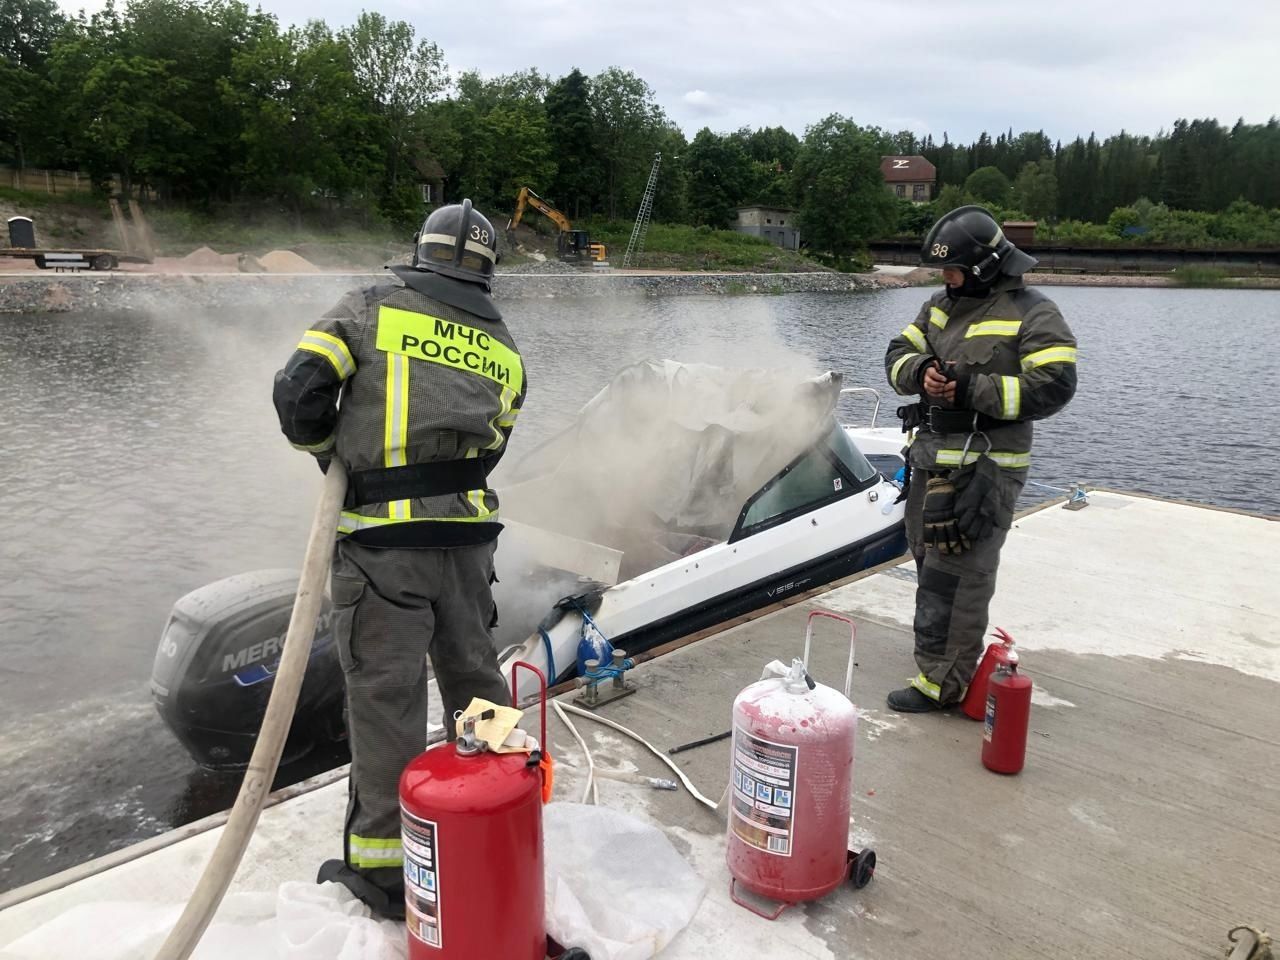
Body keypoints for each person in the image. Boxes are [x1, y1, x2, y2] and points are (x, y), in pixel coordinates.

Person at [272, 199, 525, 918]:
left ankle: (385, 872)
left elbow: (297, 394)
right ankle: (502, 802)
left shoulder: (368, 308)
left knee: (387, 699)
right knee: (478, 679)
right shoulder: (503, 343)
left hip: (385, 547)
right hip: (470, 543)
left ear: (420, 255)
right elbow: (494, 443)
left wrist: (332, 457)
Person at [883, 205, 1077, 713]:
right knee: (930, 567)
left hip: (984, 467)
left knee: (959, 576)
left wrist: (973, 387)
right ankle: (938, 662)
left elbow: (1054, 387)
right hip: (930, 458)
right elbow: (897, 351)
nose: (946, 280)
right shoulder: (942, 305)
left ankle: (942, 683)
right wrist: (920, 370)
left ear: (986, 266)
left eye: (953, 270)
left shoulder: (1034, 312)